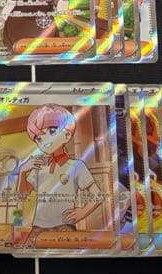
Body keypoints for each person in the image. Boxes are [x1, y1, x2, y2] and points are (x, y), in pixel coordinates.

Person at [17, 104, 104, 244]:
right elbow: (21, 196)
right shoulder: (38, 166)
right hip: (37, 226)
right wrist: (22, 172)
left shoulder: (76, 166)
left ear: (67, 135)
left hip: (64, 226)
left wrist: (83, 211)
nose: (45, 141)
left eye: (52, 131)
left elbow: (98, 195)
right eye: (38, 138)